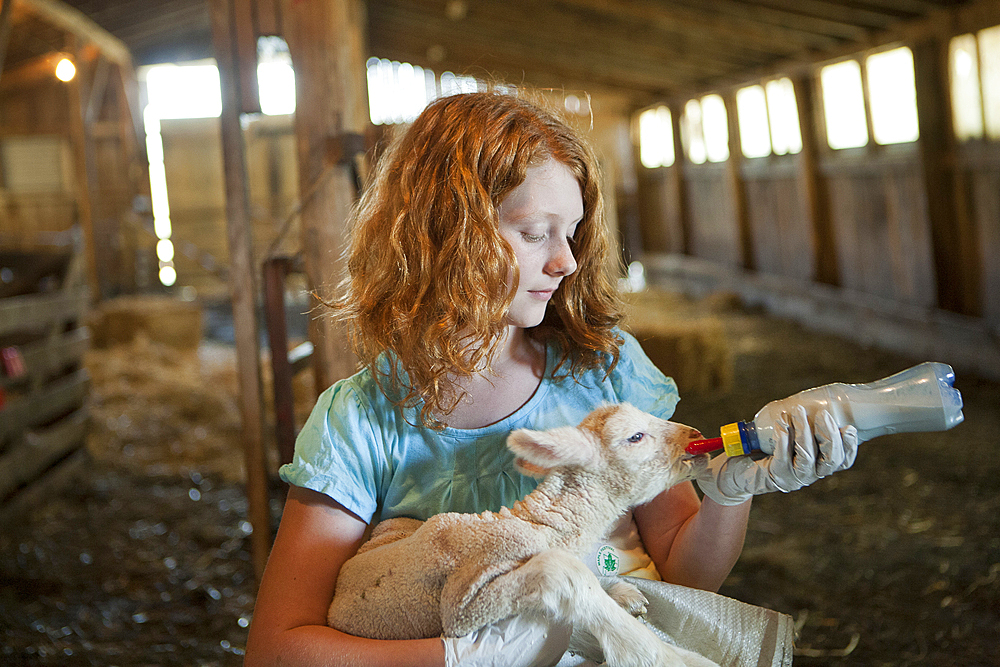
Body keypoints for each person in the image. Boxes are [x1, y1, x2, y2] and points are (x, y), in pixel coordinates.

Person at [244, 89, 858, 667]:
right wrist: (468, 658)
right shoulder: (362, 422)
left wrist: (731, 491)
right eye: (536, 233)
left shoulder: (605, 371)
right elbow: (278, 647)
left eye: (572, 234)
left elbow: (682, 571)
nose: (565, 261)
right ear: (451, 233)